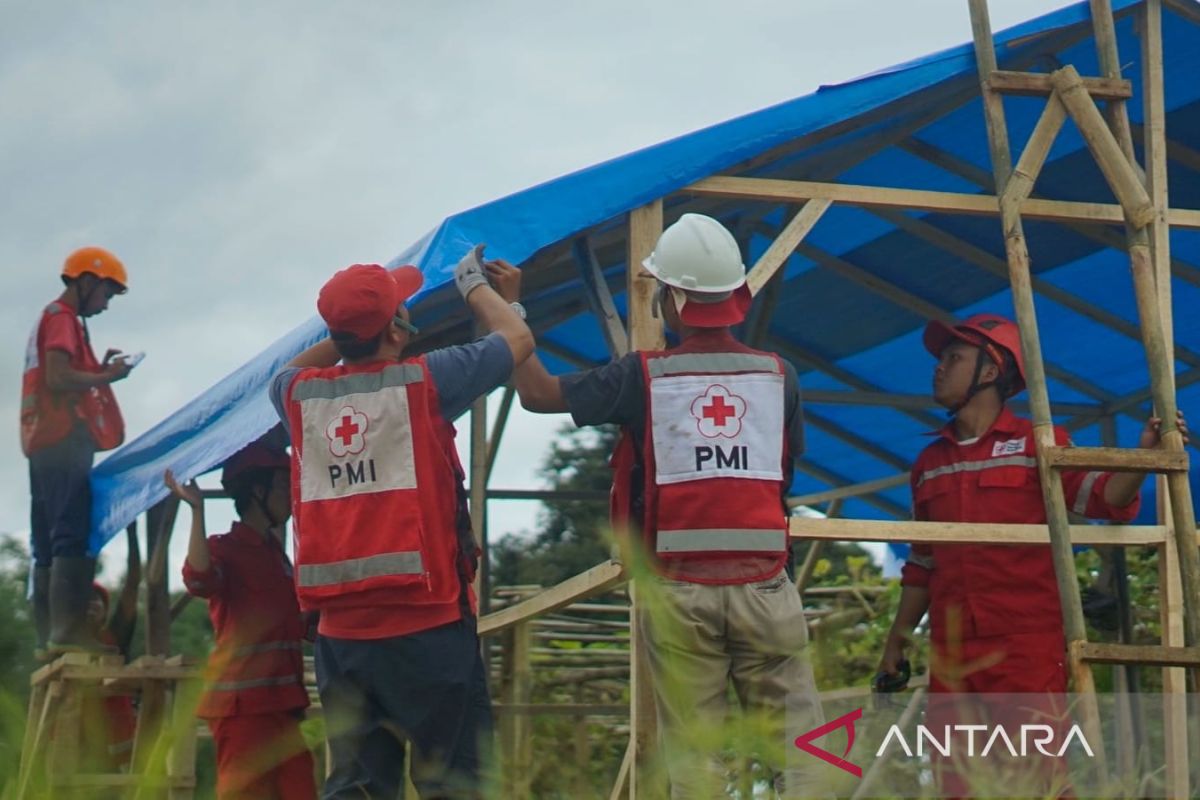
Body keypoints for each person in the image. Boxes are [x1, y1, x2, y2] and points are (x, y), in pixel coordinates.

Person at [509, 213, 826, 798]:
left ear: (673, 300)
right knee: (803, 753)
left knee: (697, 763)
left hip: (681, 594)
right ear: (736, 295)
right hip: (765, 587)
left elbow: (536, 393)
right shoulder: (780, 375)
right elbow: (784, 474)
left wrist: (509, 314)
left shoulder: (643, 376)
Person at [876, 313, 1188, 794]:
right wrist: (896, 640)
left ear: (989, 371)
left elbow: (1105, 498)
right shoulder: (928, 463)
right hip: (952, 651)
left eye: (953, 358)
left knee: (1036, 779)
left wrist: (1143, 456)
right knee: (958, 783)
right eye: (941, 359)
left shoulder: (1040, 444)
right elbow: (922, 563)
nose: (939, 368)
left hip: (1026, 646)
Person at [269, 253, 532, 798]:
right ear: (396, 328)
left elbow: (288, 368)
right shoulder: (427, 380)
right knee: (455, 785)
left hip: (342, 644)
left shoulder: (297, 396)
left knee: (356, 789)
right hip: (429, 629)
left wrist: (349, 335)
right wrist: (477, 287)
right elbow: (516, 339)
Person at [167, 440, 316, 799]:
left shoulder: (274, 556)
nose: (290, 498)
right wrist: (197, 512)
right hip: (243, 711)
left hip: (282, 706)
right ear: (258, 492)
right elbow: (199, 579)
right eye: (283, 488)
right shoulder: (225, 548)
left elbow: (299, 622)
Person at [22, 246, 137, 652]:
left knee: (48, 539)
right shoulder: (62, 318)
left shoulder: (60, 321)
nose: (105, 305)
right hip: (64, 438)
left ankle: (51, 635)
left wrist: (96, 370)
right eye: (106, 294)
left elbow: (64, 373)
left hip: (44, 442)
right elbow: (57, 377)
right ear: (87, 281)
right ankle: (68, 633)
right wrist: (108, 375)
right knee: (70, 533)